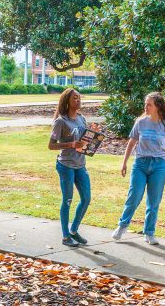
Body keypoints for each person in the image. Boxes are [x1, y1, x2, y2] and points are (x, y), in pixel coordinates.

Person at [111, 91, 165, 245]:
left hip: (159, 166)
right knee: (134, 196)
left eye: (149, 104)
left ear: (158, 106)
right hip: (140, 164)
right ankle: (122, 226)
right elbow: (131, 143)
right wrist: (124, 163)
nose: (145, 107)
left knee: (154, 201)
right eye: (145, 104)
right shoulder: (140, 122)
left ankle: (149, 233)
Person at [48, 88, 99, 247]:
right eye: (75, 98)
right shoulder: (60, 122)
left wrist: (94, 135)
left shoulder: (82, 119)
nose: (78, 100)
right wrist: (70, 144)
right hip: (65, 165)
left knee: (86, 199)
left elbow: (84, 143)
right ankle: (65, 237)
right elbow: (51, 145)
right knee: (68, 200)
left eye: (79, 98)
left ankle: (73, 231)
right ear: (67, 102)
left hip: (80, 165)